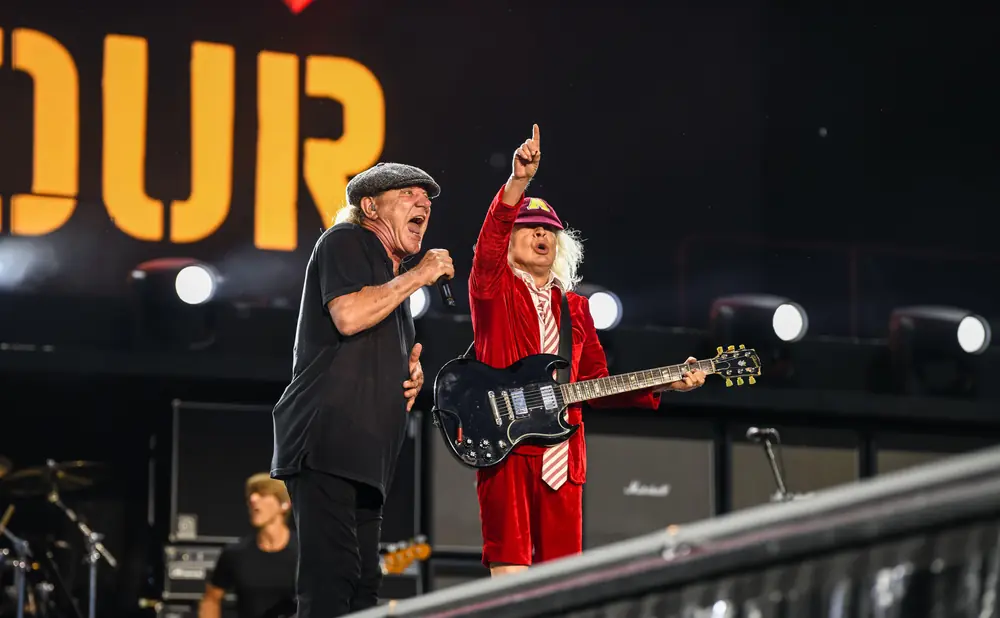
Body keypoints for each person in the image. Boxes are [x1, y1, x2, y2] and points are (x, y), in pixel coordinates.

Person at [469, 125, 707, 577]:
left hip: (563, 455)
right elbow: (486, 250)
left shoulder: (576, 308)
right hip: (509, 449)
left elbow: (595, 386)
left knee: (562, 583)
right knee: (509, 582)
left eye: (549, 231)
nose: (542, 235)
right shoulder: (494, 290)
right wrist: (517, 184)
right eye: (530, 226)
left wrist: (666, 382)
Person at [269, 162, 453, 617]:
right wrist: (419, 274)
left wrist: (409, 378)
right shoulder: (345, 241)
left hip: (369, 457)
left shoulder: (393, 288)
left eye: (426, 199)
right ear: (370, 206)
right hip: (326, 441)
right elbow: (348, 316)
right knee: (330, 583)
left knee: (363, 588)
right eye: (408, 194)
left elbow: (372, 345)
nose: (423, 203)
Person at [199, 473, 297, 618]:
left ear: (284, 504)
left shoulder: (306, 553)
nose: (253, 499)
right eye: (251, 495)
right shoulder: (236, 553)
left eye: (263, 494)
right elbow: (211, 599)